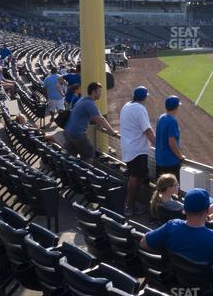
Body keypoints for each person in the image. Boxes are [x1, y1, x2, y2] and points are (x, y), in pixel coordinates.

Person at [120, 86, 155, 217]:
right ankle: (129, 207)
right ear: (144, 97)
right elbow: (148, 131)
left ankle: (129, 204)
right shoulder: (140, 109)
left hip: (129, 148)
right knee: (136, 178)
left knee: (138, 176)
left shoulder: (127, 105)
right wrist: (159, 145)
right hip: (137, 150)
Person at [64, 82, 119, 163]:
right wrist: (112, 132)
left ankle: (74, 173)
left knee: (71, 158)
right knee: (89, 155)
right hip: (77, 134)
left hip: (68, 131)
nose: (101, 93)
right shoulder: (89, 104)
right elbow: (101, 119)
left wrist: (98, 123)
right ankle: (85, 173)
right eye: (99, 91)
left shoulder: (83, 99)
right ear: (94, 92)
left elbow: (90, 117)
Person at [155, 95, 184, 179]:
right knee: (171, 189)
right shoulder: (172, 121)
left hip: (160, 160)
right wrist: (180, 156)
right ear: (176, 107)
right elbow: (172, 143)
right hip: (170, 162)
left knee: (161, 188)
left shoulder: (161, 117)